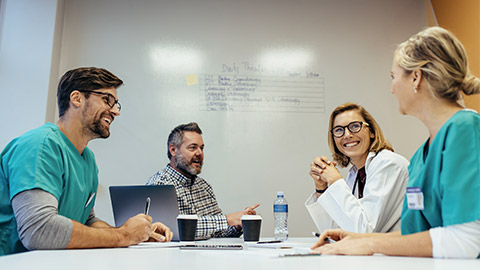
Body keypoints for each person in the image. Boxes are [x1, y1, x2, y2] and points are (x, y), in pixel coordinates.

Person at [312, 27, 480, 258]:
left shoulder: (465, 129)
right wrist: (358, 238)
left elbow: (467, 241)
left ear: (416, 77)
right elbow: (415, 235)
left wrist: (371, 244)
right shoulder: (422, 155)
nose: (392, 89)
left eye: (394, 77)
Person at [0, 67, 173, 256]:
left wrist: (137, 235)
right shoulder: (40, 146)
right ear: (76, 98)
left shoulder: (87, 158)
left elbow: (87, 222)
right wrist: (123, 236)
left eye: (117, 104)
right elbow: (38, 230)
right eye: (107, 100)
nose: (115, 111)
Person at [306, 103, 409, 233]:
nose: (347, 135)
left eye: (355, 126)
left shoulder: (388, 164)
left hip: (398, 251)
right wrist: (321, 188)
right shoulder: (355, 174)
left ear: (371, 131)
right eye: (339, 130)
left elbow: (363, 230)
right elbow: (335, 231)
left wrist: (335, 180)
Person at [147, 122, 260, 239]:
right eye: (192, 147)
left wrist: (239, 224)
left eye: (201, 148)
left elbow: (219, 232)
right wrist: (228, 219)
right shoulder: (159, 185)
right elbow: (172, 232)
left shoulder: (204, 186)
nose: (199, 153)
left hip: (207, 256)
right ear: (173, 150)